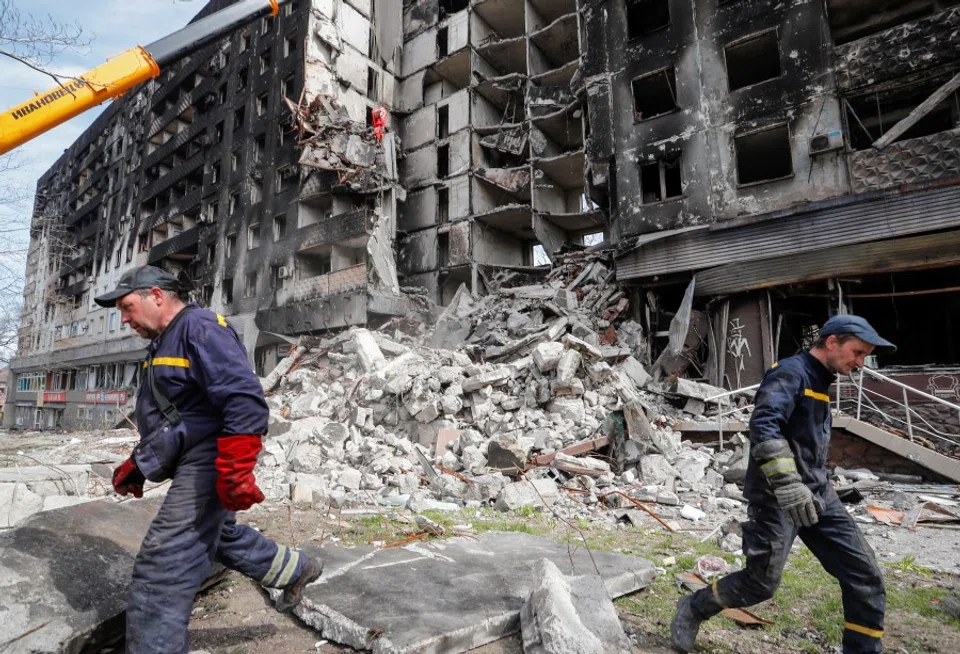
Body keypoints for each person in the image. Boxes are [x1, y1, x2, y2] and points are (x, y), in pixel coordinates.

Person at [96, 265, 323, 654]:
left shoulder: (200, 327)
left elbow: (244, 399)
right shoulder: (166, 341)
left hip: (211, 457)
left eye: (127, 307)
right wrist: (139, 463)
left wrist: (236, 468)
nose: (124, 319)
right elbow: (184, 417)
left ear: (156, 295)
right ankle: (296, 569)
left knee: (164, 561)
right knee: (215, 537)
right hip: (195, 455)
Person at [670, 315, 893, 654]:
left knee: (865, 576)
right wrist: (788, 483)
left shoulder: (821, 379)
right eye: (857, 352)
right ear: (831, 342)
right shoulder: (791, 373)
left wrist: (808, 483)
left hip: (818, 495)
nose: (860, 363)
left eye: (864, 356)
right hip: (776, 498)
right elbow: (764, 425)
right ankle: (693, 607)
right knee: (760, 584)